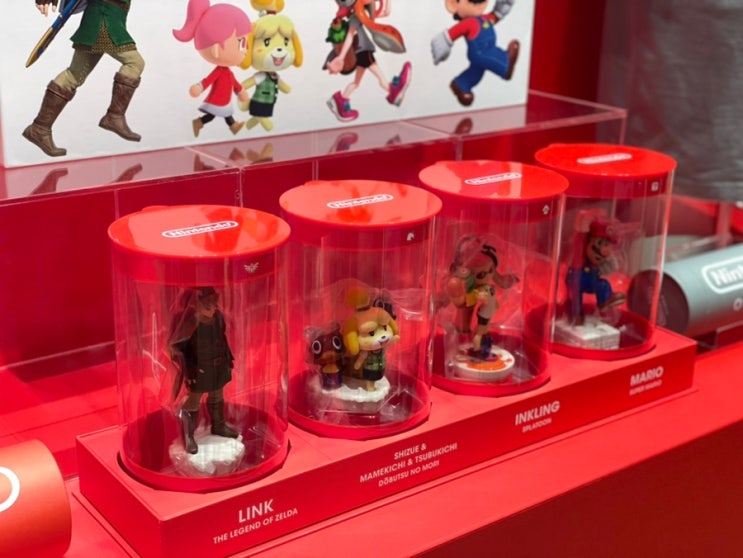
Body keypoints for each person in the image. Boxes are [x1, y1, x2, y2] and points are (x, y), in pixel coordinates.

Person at [23, 0, 145, 157]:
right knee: (135, 63)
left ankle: (39, 128)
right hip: (105, 18)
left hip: (105, 17)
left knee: (74, 75)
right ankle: (114, 117)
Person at [169, 287, 239, 455]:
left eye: (213, 303)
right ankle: (189, 436)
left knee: (217, 396)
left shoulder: (218, 318)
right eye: (207, 304)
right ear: (196, 304)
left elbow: (222, 340)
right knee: (193, 401)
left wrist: (228, 359)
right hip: (199, 370)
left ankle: (218, 426)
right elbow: (177, 350)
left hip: (218, 366)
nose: (212, 307)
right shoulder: (188, 323)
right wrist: (188, 370)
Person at [173, 0, 252, 137]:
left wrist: (241, 92)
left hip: (224, 99)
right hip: (218, 99)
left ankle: (204, 123)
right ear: (216, 49)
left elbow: (234, 84)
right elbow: (208, 80)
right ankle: (222, 125)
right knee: (218, 115)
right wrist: (199, 87)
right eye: (241, 43)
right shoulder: (220, 71)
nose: (246, 50)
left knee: (218, 115)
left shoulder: (227, 72)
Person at [431, 0, 519, 106]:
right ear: (454, 4)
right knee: (491, 57)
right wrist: (442, 44)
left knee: (476, 72)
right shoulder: (468, 23)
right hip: (480, 53)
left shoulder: (484, 18)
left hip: (485, 51)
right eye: (473, 1)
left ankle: (460, 85)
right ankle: (505, 66)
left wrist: (502, 8)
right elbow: (452, 33)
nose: (479, 4)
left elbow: (495, 17)